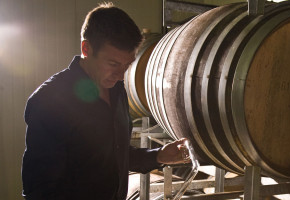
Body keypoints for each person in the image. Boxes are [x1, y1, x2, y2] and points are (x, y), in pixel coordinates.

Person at [21, 2, 190, 200]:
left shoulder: (117, 91)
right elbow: (39, 190)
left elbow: (115, 154)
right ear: (86, 48)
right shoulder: (50, 101)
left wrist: (158, 155)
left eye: (127, 65)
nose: (120, 75)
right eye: (113, 64)